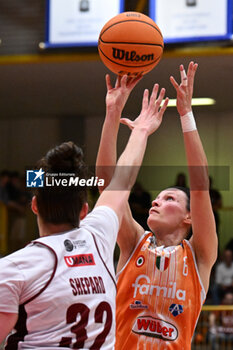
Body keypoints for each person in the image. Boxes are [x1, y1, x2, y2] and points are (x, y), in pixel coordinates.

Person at [0, 83, 169, 348]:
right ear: (84, 210)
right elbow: (121, 178)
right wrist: (140, 130)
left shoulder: (13, 269)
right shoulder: (97, 236)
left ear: (35, 205)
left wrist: (113, 112)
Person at [96, 61, 218, 349]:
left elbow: (200, 185)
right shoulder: (133, 242)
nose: (155, 200)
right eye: (158, 196)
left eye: (169, 198)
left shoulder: (199, 256)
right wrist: (112, 113)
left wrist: (186, 114)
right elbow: (106, 184)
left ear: (189, 217)